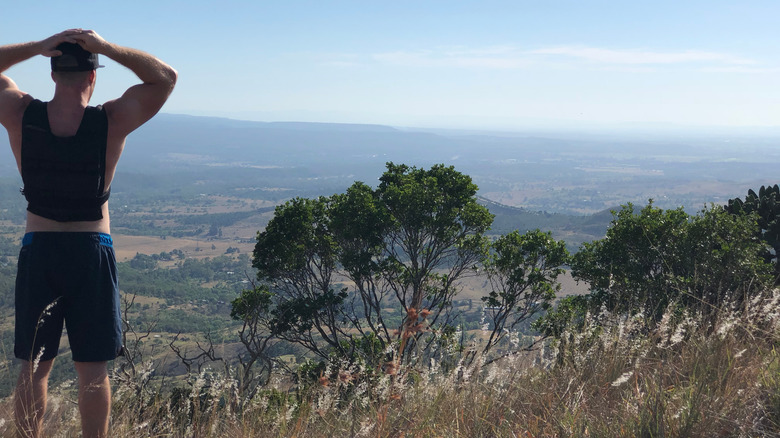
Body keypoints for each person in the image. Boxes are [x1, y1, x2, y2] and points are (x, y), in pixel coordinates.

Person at [0, 29, 177, 438]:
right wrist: (108, 48)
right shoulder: (111, 121)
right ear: (93, 77)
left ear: (52, 73)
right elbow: (165, 77)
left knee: (33, 366)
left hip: (39, 247)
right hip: (91, 250)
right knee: (93, 370)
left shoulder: (19, 114)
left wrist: (32, 46)